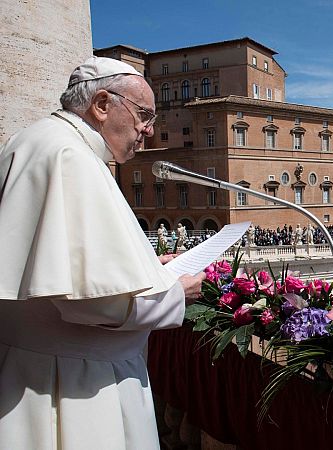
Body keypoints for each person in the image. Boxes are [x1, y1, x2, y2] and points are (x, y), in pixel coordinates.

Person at [0, 57, 205, 449]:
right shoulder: (71, 157)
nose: (148, 130)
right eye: (144, 115)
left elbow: (70, 262)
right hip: (74, 387)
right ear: (102, 105)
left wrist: (146, 266)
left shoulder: (34, 140)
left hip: (32, 367)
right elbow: (92, 302)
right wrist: (175, 293)